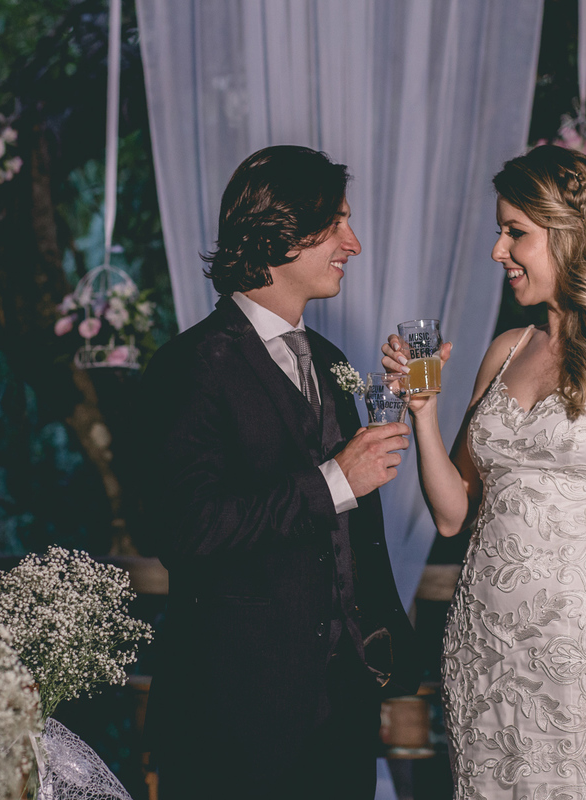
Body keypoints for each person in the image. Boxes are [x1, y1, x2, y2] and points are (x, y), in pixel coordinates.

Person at [382, 144, 586, 798]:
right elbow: (452, 513)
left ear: (570, 236)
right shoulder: (507, 350)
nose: (498, 250)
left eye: (515, 232)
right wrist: (423, 413)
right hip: (482, 653)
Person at [139, 145, 419, 800]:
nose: (353, 242)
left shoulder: (329, 359)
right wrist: (334, 482)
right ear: (280, 231)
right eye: (336, 223)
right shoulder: (190, 366)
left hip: (342, 713)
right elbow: (186, 529)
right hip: (233, 718)